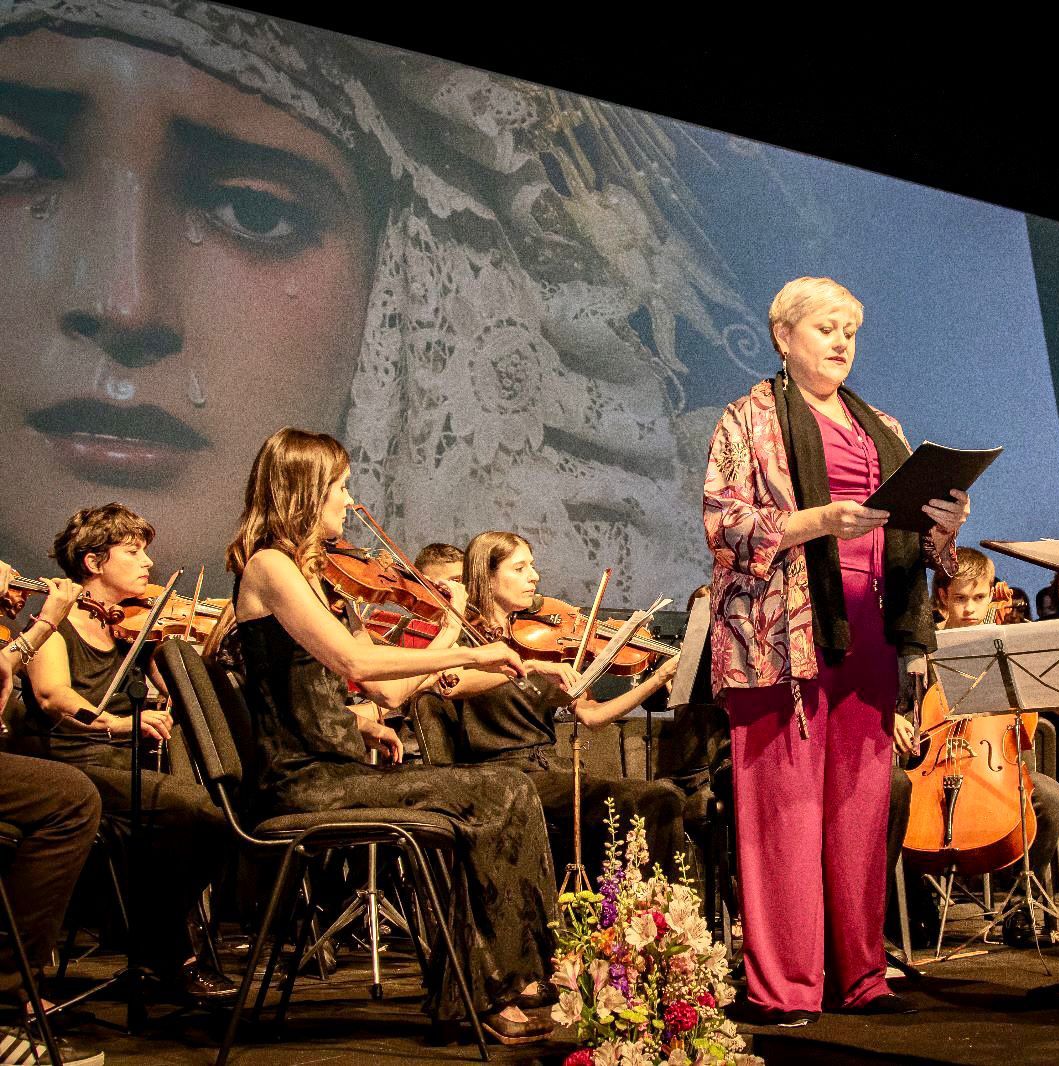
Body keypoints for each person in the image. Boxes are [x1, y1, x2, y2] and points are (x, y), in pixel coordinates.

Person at [0, 1, 749, 606]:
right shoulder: (275, 576)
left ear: (399, 282)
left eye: (255, 213)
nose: (125, 304)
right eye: (15, 163)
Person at [224, 427, 560, 1044]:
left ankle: (506, 980)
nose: (350, 502)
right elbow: (357, 665)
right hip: (302, 783)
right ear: (306, 490)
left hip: (337, 771)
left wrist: (450, 643)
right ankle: (503, 984)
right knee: (498, 792)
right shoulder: (270, 567)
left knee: (505, 788)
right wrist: (482, 653)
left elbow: (390, 694)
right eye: (341, 487)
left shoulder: (312, 578)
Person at [702, 276, 967, 1025]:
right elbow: (723, 525)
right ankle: (783, 987)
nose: (842, 341)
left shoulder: (879, 423)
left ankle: (861, 975)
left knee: (858, 811)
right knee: (784, 810)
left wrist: (946, 520)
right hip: (780, 639)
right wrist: (815, 521)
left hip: (872, 633)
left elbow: (915, 537)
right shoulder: (746, 418)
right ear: (783, 336)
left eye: (850, 329)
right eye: (825, 327)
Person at [17, 505, 235, 1004]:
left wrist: (189, 651)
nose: (149, 564)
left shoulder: (135, 626)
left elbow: (173, 692)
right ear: (94, 562)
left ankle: (160, 942)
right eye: (133, 552)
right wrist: (116, 723)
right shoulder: (55, 616)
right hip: (73, 764)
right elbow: (54, 696)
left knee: (209, 817)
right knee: (203, 814)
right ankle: (167, 950)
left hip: (125, 767)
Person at [445, 530, 687, 878]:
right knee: (637, 801)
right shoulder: (467, 641)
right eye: (520, 568)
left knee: (662, 797)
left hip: (547, 768)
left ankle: (647, 917)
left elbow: (594, 716)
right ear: (488, 575)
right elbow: (454, 683)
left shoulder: (539, 642)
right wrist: (526, 666)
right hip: (503, 776)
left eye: (533, 565)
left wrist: (657, 679)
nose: (535, 576)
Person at [891, 547, 1059, 940]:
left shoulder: (1008, 644)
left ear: (992, 594)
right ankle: (919, 902)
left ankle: (1019, 906)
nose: (970, 609)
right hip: (933, 763)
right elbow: (896, 702)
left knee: (1049, 797)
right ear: (941, 598)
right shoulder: (921, 648)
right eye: (960, 598)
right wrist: (900, 719)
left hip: (992, 767)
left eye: (979, 597)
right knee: (897, 802)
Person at [0, 561, 108, 1066]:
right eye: (135, 551)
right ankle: (5, 998)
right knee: (72, 797)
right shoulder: (57, 634)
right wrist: (45, 623)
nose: (150, 564)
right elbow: (34, 687)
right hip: (72, 751)